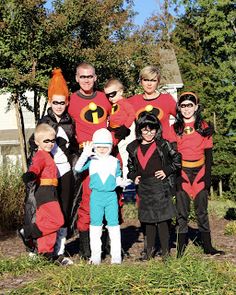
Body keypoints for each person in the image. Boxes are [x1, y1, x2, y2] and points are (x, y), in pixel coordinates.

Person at [28, 69, 78, 261]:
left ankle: (59, 249)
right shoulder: (44, 121)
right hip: (47, 174)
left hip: (64, 171)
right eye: (55, 102)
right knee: (43, 212)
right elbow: (34, 143)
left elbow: (73, 145)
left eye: (62, 102)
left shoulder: (69, 121)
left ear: (67, 102)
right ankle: (37, 247)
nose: (59, 106)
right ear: (50, 102)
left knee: (64, 210)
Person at [169, 92, 225, 257]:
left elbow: (209, 155)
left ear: (196, 107)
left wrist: (207, 177)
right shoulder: (175, 128)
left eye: (190, 105)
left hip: (199, 171)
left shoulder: (204, 126)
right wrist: (177, 176)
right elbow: (173, 154)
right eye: (183, 105)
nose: (187, 109)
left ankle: (208, 246)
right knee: (182, 213)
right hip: (183, 172)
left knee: (202, 211)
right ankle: (180, 249)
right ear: (179, 108)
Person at [68, 62, 111, 259]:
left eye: (90, 76)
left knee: (112, 200)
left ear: (95, 78)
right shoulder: (70, 100)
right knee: (87, 202)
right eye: (82, 76)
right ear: (77, 78)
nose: (86, 80)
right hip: (86, 158)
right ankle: (87, 249)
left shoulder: (105, 97)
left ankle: (110, 245)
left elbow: (122, 115)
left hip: (108, 156)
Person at [126, 112, 181, 261]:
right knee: (148, 221)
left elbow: (177, 160)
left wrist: (166, 171)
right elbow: (130, 167)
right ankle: (149, 252)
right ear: (139, 130)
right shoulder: (133, 147)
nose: (148, 133)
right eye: (145, 130)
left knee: (163, 221)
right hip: (144, 188)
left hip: (160, 188)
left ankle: (166, 254)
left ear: (157, 130)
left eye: (152, 130)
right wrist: (133, 176)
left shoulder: (163, 145)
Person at [18, 123, 71, 265]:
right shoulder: (41, 155)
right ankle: (28, 232)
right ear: (37, 142)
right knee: (57, 221)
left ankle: (45, 253)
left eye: (52, 141)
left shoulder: (48, 155)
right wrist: (31, 174)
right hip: (45, 191)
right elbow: (36, 166)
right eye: (45, 141)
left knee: (45, 223)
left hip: (50, 190)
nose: (50, 144)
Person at [75, 128, 128, 264]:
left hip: (111, 197)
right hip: (96, 197)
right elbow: (78, 168)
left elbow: (116, 177)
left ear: (110, 147)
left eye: (106, 147)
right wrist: (85, 155)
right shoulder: (92, 160)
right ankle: (95, 257)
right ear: (94, 147)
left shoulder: (114, 161)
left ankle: (116, 257)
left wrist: (121, 182)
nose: (102, 150)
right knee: (95, 226)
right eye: (99, 147)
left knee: (114, 226)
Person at [128, 65, 177, 141]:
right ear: (141, 81)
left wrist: (172, 134)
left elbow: (183, 118)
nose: (149, 84)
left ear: (158, 82)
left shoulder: (167, 99)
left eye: (153, 80)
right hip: (143, 147)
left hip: (164, 147)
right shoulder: (132, 101)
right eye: (146, 80)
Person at [104, 78, 135, 179]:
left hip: (126, 133)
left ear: (120, 91)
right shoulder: (114, 104)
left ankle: (128, 180)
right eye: (107, 95)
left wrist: (125, 127)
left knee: (126, 156)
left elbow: (132, 114)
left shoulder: (124, 103)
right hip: (116, 133)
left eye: (112, 94)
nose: (110, 98)